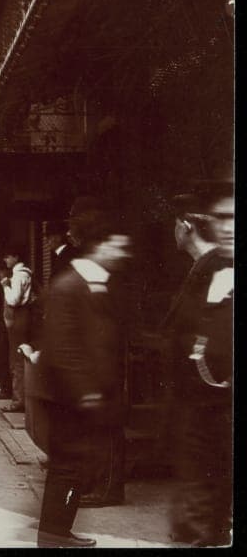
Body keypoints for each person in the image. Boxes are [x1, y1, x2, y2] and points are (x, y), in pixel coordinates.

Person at [31, 201, 131, 548]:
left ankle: (56, 532)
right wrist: (87, 393)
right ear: (99, 245)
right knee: (69, 467)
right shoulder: (71, 285)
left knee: (72, 466)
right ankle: (54, 535)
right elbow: (64, 347)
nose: (122, 250)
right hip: (68, 397)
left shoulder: (94, 283)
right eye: (117, 244)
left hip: (78, 395)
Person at [161, 180, 234, 546]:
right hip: (196, 402)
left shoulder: (216, 268)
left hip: (209, 401)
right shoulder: (201, 269)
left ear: (185, 226)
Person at [0, 251, 34, 413]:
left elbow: (13, 299)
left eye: (8, 255)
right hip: (23, 317)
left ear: (16, 256)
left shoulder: (19, 275)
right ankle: (20, 397)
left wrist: (5, 286)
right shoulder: (25, 273)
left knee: (17, 359)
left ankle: (18, 400)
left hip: (18, 318)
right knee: (19, 357)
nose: (5, 258)